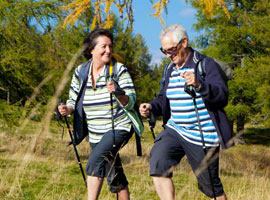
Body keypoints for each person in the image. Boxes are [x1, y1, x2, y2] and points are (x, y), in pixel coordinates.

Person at [139, 24, 233, 200]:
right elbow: (163, 100)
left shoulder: (205, 64)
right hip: (175, 130)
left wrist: (199, 85)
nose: (168, 55)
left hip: (202, 134)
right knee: (158, 164)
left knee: (210, 187)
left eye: (172, 50)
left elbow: (222, 96)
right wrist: (151, 107)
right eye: (164, 51)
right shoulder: (168, 70)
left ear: (184, 42)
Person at [58, 28, 136, 200]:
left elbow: (131, 101)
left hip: (119, 127)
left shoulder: (118, 70)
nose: (108, 50)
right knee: (115, 174)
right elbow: (73, 100)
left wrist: (118, 92)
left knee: (95, 160)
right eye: (103, 46)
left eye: (110, 46)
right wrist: (67, 109)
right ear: (91, 49)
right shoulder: (81, 72)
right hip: (95, 133)